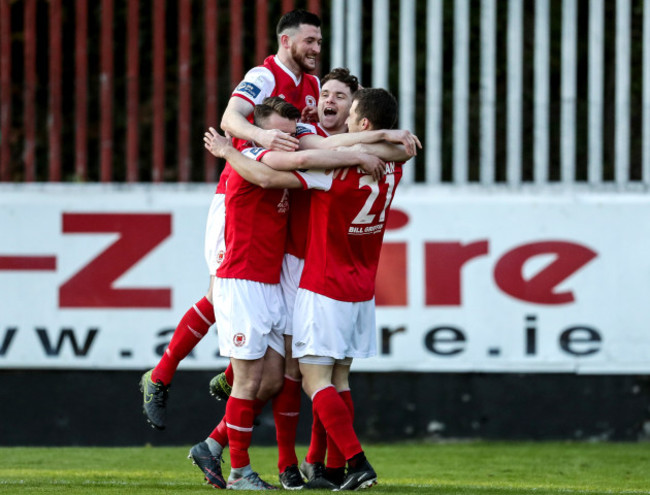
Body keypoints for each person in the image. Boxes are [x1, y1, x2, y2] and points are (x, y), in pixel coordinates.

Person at [208, 71, 419, 489]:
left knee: (310, 377)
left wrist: (229, 152)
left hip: (321, 282)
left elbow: (273, 175)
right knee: (334, 377)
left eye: (345, 99)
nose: (331, 101)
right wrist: (389, 140)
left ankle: (351, 462)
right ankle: (326, 467)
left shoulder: (331, 171)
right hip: (360, 286)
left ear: (358, 121)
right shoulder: (390, 163)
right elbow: (347, 147)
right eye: (326, 93)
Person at [138, 8, 323, 434]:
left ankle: (225, 373)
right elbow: (229, 119)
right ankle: (161, 376)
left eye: (318, 41)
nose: (316, 48)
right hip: (238, 196)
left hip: (276, 195)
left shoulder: (311, 85)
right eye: (309, 40)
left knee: (253, 292)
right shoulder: (265, 74)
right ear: (286, 40)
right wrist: (261, 136)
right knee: (223, 287)